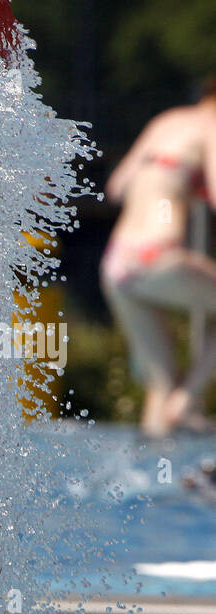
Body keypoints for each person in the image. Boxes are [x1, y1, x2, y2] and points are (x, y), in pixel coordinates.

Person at [101, 76, 216, 437]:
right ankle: (187, 400)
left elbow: (116, 186)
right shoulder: (211, 127)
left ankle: (152, 480)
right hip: (158, 257)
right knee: (175, 394)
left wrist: (170, 183)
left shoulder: (164, 122)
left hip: (117, 263)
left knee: (160, 382)